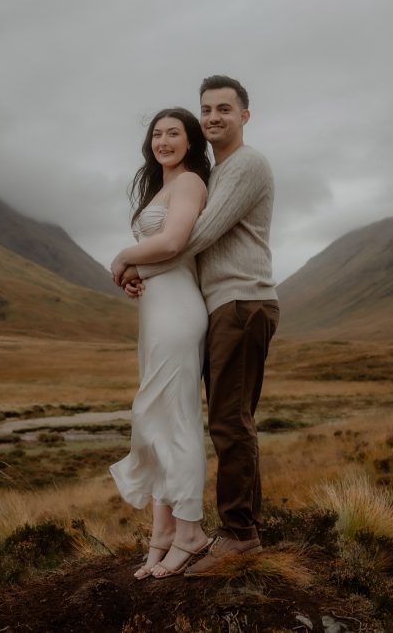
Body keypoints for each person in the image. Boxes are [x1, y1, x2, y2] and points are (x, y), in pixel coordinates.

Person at [113, 75, 279, 577]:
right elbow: (181, 244)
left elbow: (192, 237)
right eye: (206, 109)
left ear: (245, 115)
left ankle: (238, 534)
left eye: (224, 109)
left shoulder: (245, 164)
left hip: (241, 300)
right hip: (215, 305)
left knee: (228, 421)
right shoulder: (222, 169)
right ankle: (179, 530)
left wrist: (128, 261)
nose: (213, 117)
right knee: (213, 418)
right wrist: (142, 269)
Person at [108, 107, 214, 579]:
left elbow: (173, 242)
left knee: (176, 421)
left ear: (190, 141)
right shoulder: (162, 187)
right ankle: (162, 537)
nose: (164, 140)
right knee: (155, 420)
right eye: (157, 133)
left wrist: (123, 258)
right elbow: (163, 256)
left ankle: (190, 531)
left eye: (174, 133)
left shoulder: (189, 183)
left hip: (177, 314)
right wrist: (135, 275)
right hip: (157, 314)